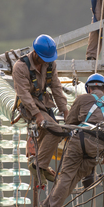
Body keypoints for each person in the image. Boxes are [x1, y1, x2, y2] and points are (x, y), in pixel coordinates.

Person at [33, 74, 104, 207]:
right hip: (98, 149)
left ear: (89, 89)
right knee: (73, 179)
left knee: (66, 176)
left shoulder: (82, 99)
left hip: (80, 141)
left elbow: (70, 121)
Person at [12, 34, 69, 182]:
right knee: (55, 131)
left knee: (56, 131)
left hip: (43, 103)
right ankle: (39, 166)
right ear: (36, 53)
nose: (46, 62)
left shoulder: (50, 64)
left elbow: (56, 86)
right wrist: (37, 114)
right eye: (44, 59)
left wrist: (65, 110)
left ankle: (40, 165)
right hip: (27, 106)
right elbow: (23, 94)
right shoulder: (21, 67)